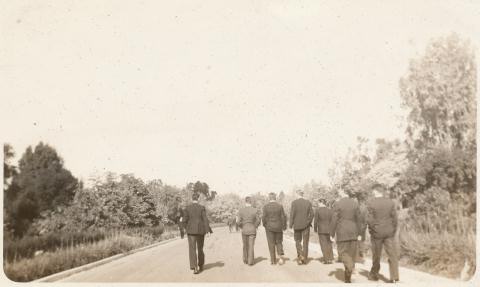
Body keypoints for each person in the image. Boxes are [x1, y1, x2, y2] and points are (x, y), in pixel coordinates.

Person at [367, 184, 399, 283]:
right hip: (389, 232)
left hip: (377, 233)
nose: (372, 193)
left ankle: (374, 274)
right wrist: (393, 230)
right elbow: (395, 219)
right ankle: (394, 277)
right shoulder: (390, 202)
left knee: (376, 254)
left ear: (376, 191)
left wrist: (371, 230)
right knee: (392, 254)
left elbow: (370, 220)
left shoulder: (371, 203)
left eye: (373, 192)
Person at [330, 189, 362, 283]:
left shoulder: (338, 204)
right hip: (353, 232)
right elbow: (359, 219)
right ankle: (347, 279)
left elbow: (334, 219)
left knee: (342, 253)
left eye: (340, 192)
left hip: (342, 232)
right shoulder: (355, 203)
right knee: (351, 255)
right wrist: (360, 233)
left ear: (343, 193)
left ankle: (350, 267)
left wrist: (332, 234)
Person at [183, 192, 212, 274]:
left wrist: (187, 228)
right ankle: (201, 265)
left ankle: (195, 267)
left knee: (192, 249)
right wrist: (207, 230)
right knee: (200, 248)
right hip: (200, 231)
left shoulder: (187, 208)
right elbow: (205, 219)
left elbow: (184, 220)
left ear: (192, 199)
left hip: (191, 231)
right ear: (198, 199)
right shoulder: (202, 207)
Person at [262, 192, 287, 265]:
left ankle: (273, 260)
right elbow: (283, 217)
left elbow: (263, 217)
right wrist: (284, 226)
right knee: (279, 242)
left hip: (269, 227)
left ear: (269, 198)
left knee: (271, 243)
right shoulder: (280, 206)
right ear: (275, 198)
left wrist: (264, 225)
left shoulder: (265, 207)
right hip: (278, 227)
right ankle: (280, 258)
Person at [289, 189, 313, 265]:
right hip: (306, 226)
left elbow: (292, 214)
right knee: (306, 242)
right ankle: (305, 259)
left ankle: (300, 256)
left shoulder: (294, 203)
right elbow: (312, 214)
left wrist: (290, 225)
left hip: (297, 225)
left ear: (297, 194)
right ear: (303, 194)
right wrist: (308, 222)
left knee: (297, 241)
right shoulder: (308, 202)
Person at [237, 196, 260, 265]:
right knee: (251, 245)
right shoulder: (255, 210)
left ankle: (245, 259)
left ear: (245, 202)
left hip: (244, 229)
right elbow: (258, 220)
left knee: (245, 245)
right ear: (251, 202)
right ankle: (250, 261)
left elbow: (238, 222)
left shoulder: (241, 210)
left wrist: (242, 226)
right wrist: (255, 226)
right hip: (252, 229)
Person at [313, 198, 334, 264]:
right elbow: (332, 221)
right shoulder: (330, 210)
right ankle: (330, 258)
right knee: (329, 244)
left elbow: (315, 221)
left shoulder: (318, 210)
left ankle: (326, 259)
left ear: (321, 203)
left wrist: (315, 229)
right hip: (329, 229)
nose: (318, 204)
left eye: (319, 203)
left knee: (323, 244)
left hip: (321, 230)